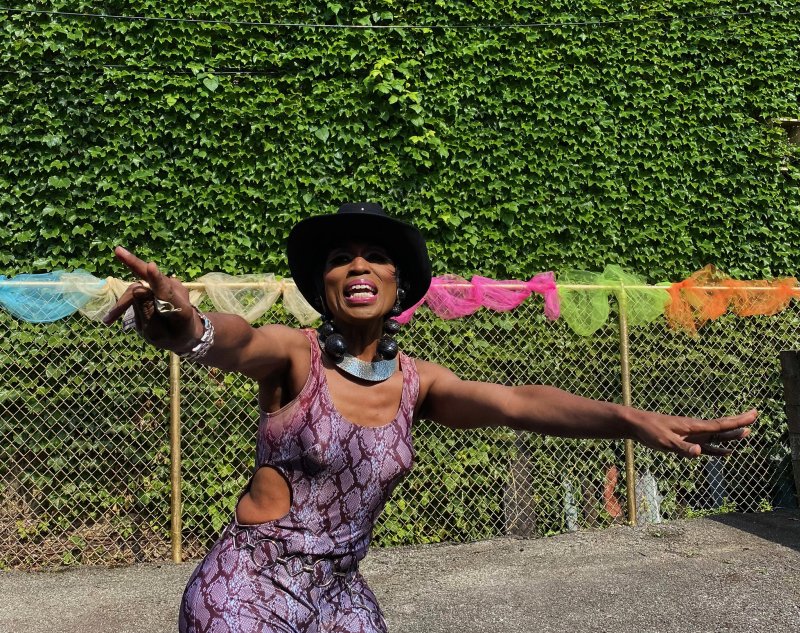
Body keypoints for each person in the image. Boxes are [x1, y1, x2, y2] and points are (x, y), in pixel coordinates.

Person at [103, 202, 755, 633]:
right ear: (325, 285)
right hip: (247, 589)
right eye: (340, 257)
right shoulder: (291, 355)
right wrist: (182, 322)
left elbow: (519, 402)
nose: (357, 263)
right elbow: (227, 338)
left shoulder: (419, 383)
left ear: (397, 284)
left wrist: (630, 417)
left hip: (338, 594)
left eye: (373, 255)